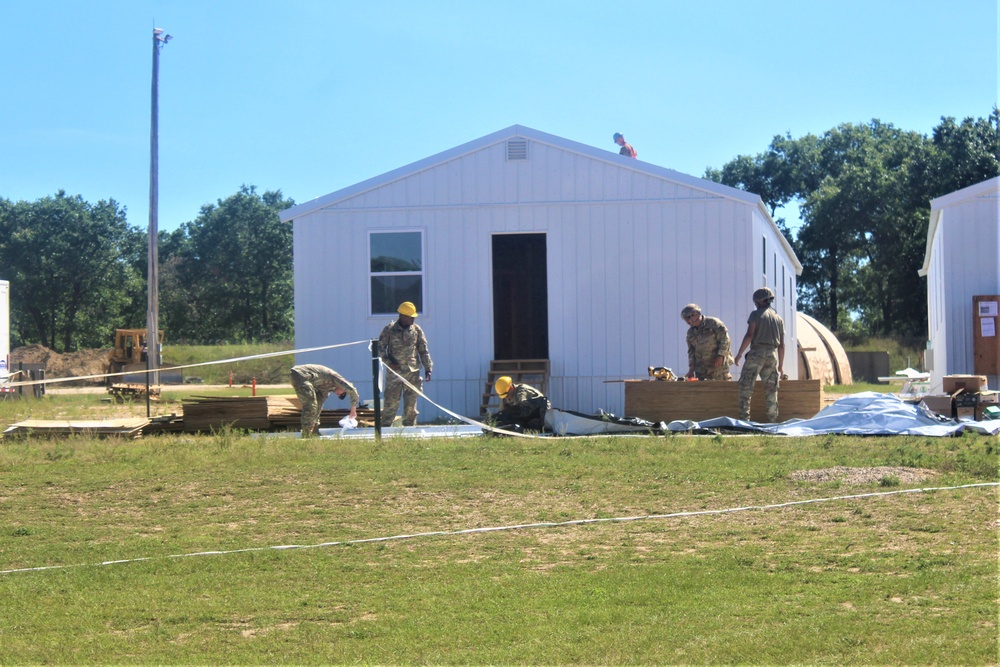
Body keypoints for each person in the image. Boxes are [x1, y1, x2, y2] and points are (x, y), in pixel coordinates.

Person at [733, 287, 785, 422]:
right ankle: (772, 421)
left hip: (756, 354)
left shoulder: (755, 315)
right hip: (772, 356)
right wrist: (780, 366)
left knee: (745, 387)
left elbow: (750, 335)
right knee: (771, 391)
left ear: (758, 301)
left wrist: (739, 354)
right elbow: (782, 345)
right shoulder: (778, 319)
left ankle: (745, 421)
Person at [378, 301, 433, 427]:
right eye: (411, 317)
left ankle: (410, 431)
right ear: (402, 316)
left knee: (410, 407)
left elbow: (423, 350)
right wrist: (388, 363)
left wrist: (428, 368)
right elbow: (379, 348)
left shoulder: (416, 330)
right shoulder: (389, 330)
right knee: (390, 404)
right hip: (394, 374)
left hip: (412, 374)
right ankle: (384, 432)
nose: (413, 319)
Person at [290, 364, 359, 437]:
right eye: (342, 395)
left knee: (315, 407)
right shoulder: (335, 378)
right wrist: (353, 411)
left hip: (301, 377)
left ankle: (314, 432)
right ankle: (306, 434)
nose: (339, 395)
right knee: (310, 405)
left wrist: (314, 424)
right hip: (301, 374)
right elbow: (353, 391)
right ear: (343, 388)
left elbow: (318, 408)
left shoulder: (326, 390)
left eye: (341, 397)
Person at [681, 303, 733, 380]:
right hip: (702, 369)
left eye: (689, 317)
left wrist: (721, 356)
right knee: (704, 390)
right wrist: (691, 370)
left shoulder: (714, 323)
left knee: (721, 389)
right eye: (685, 319)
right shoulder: (690, 333)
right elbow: (691, 352)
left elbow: (725, 340)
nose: (688, 321)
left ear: (697, 314)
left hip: (718, 366)